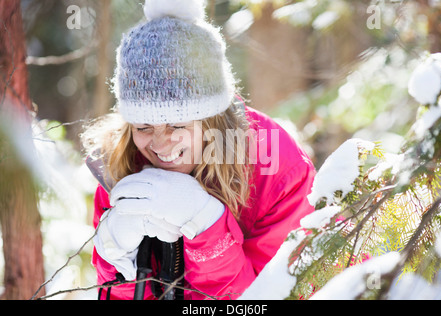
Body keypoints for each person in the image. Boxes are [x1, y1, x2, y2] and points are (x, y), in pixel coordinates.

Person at [81, 0, 316, 300]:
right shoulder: (120, 165)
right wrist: (118, 262)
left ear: (211, 119)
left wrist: (207, 228)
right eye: (143, 127)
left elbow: (273, 296)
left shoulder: (274, 167)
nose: (160, 144)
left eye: (177, 125)